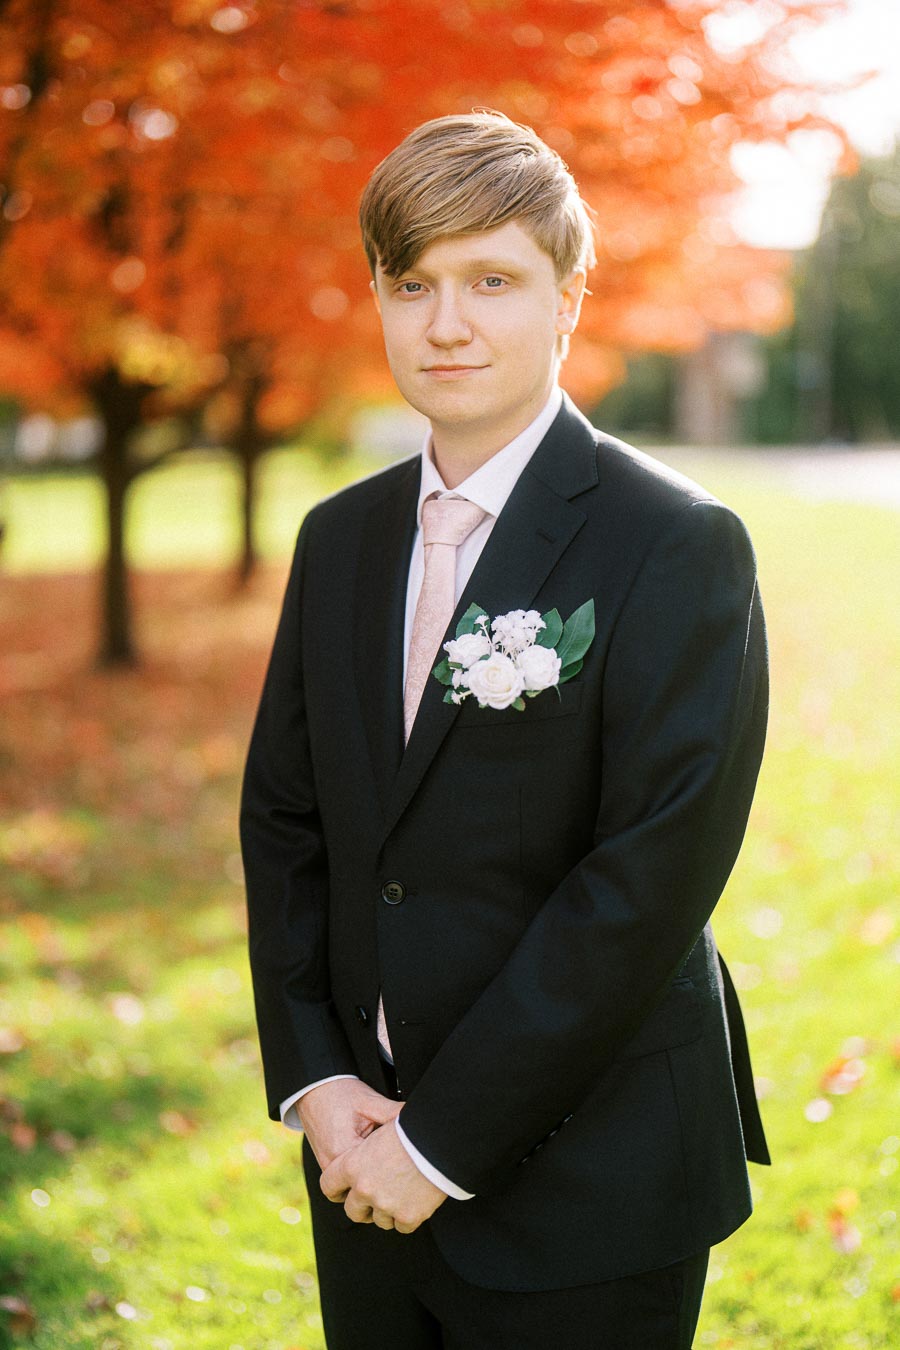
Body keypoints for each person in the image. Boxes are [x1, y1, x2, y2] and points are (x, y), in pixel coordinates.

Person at [240, 110, 770, 1350]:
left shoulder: (676, 542)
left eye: (492, 280)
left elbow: (648, 879)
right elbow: (285, 820)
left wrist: (439, 1143)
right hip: (357, 1162)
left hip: (594, 1178)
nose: (447, 324)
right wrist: (318, 1082)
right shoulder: (340, 539)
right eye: (411, 283)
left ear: (568, 296)